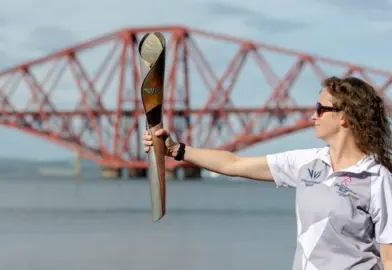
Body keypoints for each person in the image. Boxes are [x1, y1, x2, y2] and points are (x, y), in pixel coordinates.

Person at [142, 76, 392, 270]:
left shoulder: (377, 178)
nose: (313, 115)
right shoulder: (307, 162)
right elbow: (234, 164)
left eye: (321, 108)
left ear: (344, 118)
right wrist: (176, 149)